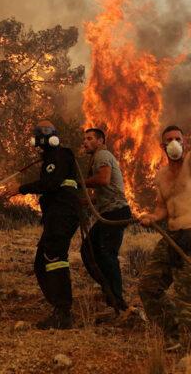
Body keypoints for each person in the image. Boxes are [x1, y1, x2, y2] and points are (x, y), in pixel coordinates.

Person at [138, 101, 191, 350]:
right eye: (169, 139)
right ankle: (174, 334)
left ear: (184, 143)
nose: (174, 142)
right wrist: (151, 218)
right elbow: (162, 208)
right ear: (162, 146)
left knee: (186, 296)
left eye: (178, 138)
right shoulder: (161, 175)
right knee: (148, 287)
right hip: (170, 237)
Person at [5, 120, 81, 329]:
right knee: (41, 263)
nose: (42, 136)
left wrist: (21, 189)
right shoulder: (51, 158)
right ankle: (58, 306)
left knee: (54, 256)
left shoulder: (60, 155)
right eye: (40, 133)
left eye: (46, 131)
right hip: (56, 214)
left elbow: (51, 184)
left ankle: (63, 313)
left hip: (63, 212)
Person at [79, 128, 133, 316]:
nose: (85, 142)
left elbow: (103, 179)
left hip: (115, 213)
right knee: (89, 250)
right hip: (110, 212)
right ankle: (109, 292)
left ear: (101, 140)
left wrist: (79, 182)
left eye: (89, 138)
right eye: (84, 139)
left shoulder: (102, 155)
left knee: (106, 254)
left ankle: (117, 300)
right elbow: (100, 195)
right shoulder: (98, 158)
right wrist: (80, 201)